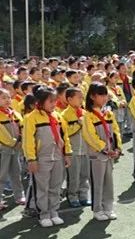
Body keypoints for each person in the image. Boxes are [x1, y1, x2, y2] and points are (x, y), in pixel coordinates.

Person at [23, 87, 73, 228]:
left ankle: (53, 212)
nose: (54, 104)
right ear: (40, 102)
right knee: (42, 188)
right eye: (50, 101)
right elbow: (28, 141)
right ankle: (43, 214)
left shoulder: (57, 117)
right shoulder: (31, 118)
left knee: (55, 186)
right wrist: (31, 159)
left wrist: (67, 153)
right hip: (41, 159)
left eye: (55, 101)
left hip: (57, 156)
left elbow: (65, 137)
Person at [82, 82, 122, 221]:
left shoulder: (108, 113)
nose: (104, 98)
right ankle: (97, 209)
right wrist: (104, 149)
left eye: (105, 94)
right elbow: (90, 136)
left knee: (108, 181)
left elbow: (116, 131)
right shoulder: (88, 116)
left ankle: (108, 207)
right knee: (97, 182)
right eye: (101, 95)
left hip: (110, 154)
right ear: (92, 96)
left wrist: (117, 148)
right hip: (97, 155)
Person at [60, 87, 90, 207]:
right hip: (73, 150)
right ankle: (72, 196)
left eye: (82, 97)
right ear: (69, 99)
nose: (81, 99)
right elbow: (65, 132)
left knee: (85, 174)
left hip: (85, 149)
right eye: (79, 97)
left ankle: (83, 196)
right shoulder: (64, 115)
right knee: (74, 176)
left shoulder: (84, 112)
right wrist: (78, 124)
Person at [0, 88, 25, 210]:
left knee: (16, 172)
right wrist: (14, 143)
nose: (7, 100)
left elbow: (22, 126)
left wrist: (21, 140)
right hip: (3, 149)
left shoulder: (14, 113)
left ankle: (19, 196)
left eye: (9, 97)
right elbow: (2, 134)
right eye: (3, 98)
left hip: (15, 149)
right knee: (2, 174)